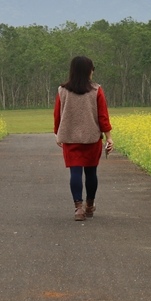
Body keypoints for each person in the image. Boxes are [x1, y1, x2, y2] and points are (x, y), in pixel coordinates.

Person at [54, 55, 113, 221]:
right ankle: (90, 205)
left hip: (70, 137)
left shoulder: (62, 90)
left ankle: (78, 209)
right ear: (89, 71)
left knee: (75, 171)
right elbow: (103, 117)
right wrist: (109, 137)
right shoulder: (96, 90)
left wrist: (58, 133)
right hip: (92, 137)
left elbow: (57, 114)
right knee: (91, 172)